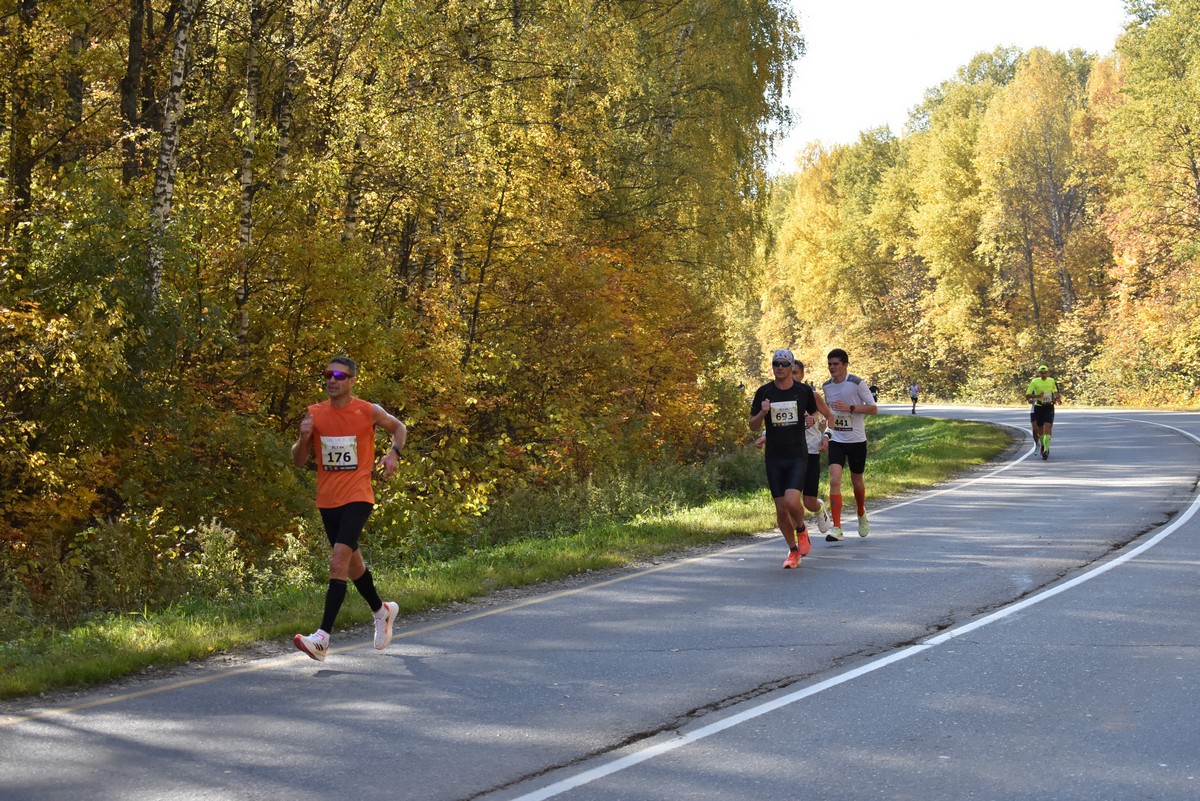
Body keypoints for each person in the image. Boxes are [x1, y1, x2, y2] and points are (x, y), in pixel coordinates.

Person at [291, 356, 407, 661]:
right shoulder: (315, 414)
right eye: (328, 374)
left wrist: (394, 453)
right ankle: (381, 611)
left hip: (358, 495)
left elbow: (399, 428)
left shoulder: (367, 411)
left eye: (340, 375)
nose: (332, 379)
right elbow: (299, 460)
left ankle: (322, 638)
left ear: (352, 380)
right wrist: (304, 437)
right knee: (352, 564)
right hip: (327, 500)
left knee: (337, 560)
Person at [749, 349, 830, 569]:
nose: (780, 368)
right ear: (773, 366)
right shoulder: (764, 392)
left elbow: (815, 414)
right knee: (781, 508)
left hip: (797, 454)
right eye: (776, 363)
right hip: (774, 456)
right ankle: (793, 551)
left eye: (785, 364)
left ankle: (801, 529)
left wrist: (811, 421)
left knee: (793, 501)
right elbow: (753, 425)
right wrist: (763, 414)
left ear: (791, 366)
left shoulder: (803, 391)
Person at [822, 348, 878, 540]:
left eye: (836, 364)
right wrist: (825, 424)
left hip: (856, 440)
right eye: (829, 364)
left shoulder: (856, 383)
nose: (832, 367)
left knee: (857, 482)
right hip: (837, 439)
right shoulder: (827, 386)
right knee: (834, 480)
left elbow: (873, 408)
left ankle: (861, 512)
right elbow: (829, 412)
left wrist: (850, 408)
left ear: (845, 365)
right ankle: (837, 527)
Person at [1025, 364, 1061, 460]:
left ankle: (1046, 450)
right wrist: (1037, 396)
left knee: (1048, 427)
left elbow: (1055, 391)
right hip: (1038, 407)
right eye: (1041, 372)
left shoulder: (1052, 381)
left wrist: (1057, 398)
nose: (1043, 374)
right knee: (1039, 429)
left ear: (1048, 373)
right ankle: (1041, 446)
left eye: (1045, 372)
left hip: (1049, 406)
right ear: (1038, 373)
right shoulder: (1035, 382)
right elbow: (1027, 395)